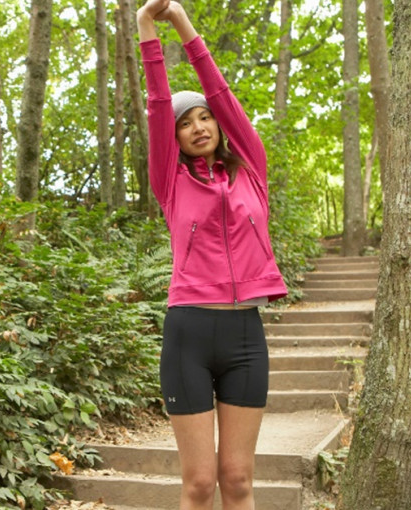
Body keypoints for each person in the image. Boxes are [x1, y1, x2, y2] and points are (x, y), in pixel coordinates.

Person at [136, 1, 288, 509]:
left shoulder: (252, 170)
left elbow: (222, 93)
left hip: (246, 334)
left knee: (239, 480)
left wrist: (183, 23)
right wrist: (147, 31)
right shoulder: (171, 183)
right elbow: (159, 103)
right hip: (189, 335)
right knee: (200, 484)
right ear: (174, 138)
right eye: (187, 123)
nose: (199, 126)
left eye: (205, 118)